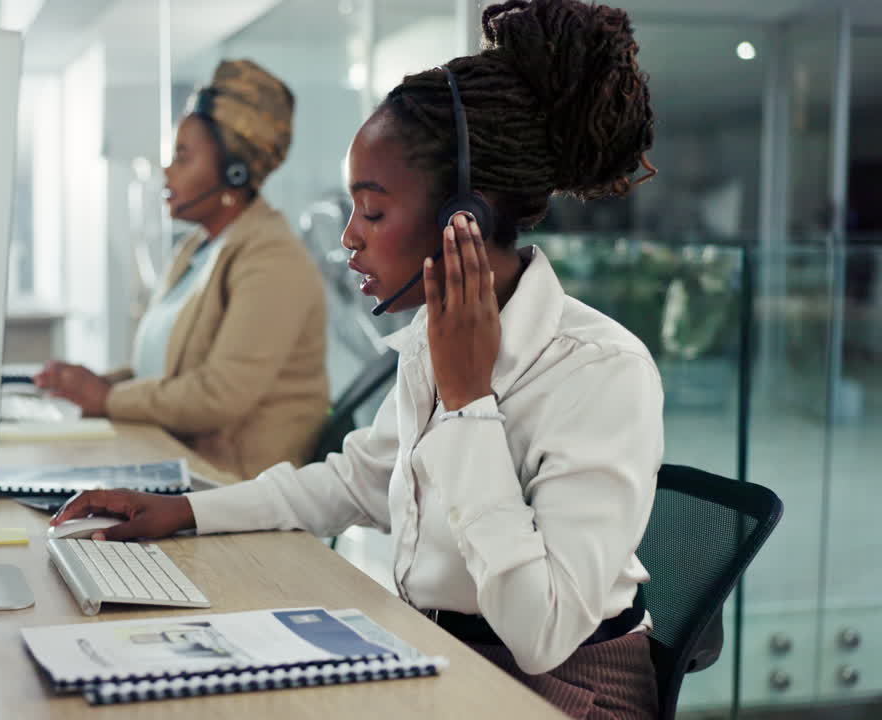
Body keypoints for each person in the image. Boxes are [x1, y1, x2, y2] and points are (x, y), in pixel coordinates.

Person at [51, 1, 661, 716]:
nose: (348, 238)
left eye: (372, 212)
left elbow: (541, 632)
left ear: (463, 217)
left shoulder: (598, 371)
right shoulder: (436, 343)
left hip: (562, 694)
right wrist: (185, 510)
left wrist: (469, 406)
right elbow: (356, 482)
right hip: (441, 659)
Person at [35, 59, 329, 480]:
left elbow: (218, 396)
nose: (167, 172)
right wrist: (91, 383)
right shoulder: (198, 247)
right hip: (183, 468)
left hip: (237, 487)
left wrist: (107, 399)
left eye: (183, 157)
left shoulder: (273, 260)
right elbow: (165, 373)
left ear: (235, 172)